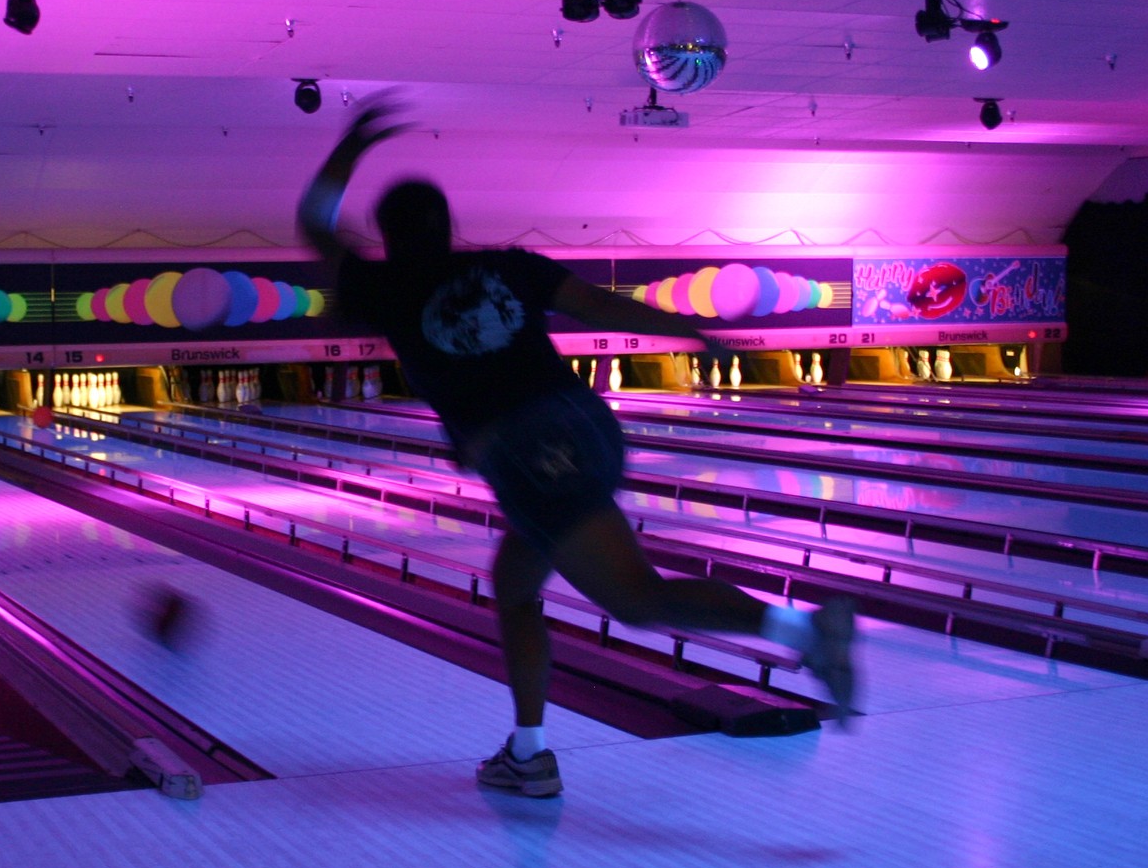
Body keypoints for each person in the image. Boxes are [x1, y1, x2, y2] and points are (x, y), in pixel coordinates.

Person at [298, 103, 857, 798]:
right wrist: (689, 332)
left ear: (387, 235)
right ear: (450, 227)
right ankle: (527, 755)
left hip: (531, 452)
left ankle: (803, 632)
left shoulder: (383, 287)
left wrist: (350, 147)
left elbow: (315, 224)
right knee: (514, 587)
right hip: (588, 425)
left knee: (637, 599)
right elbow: (599, 307)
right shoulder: (511, 266)